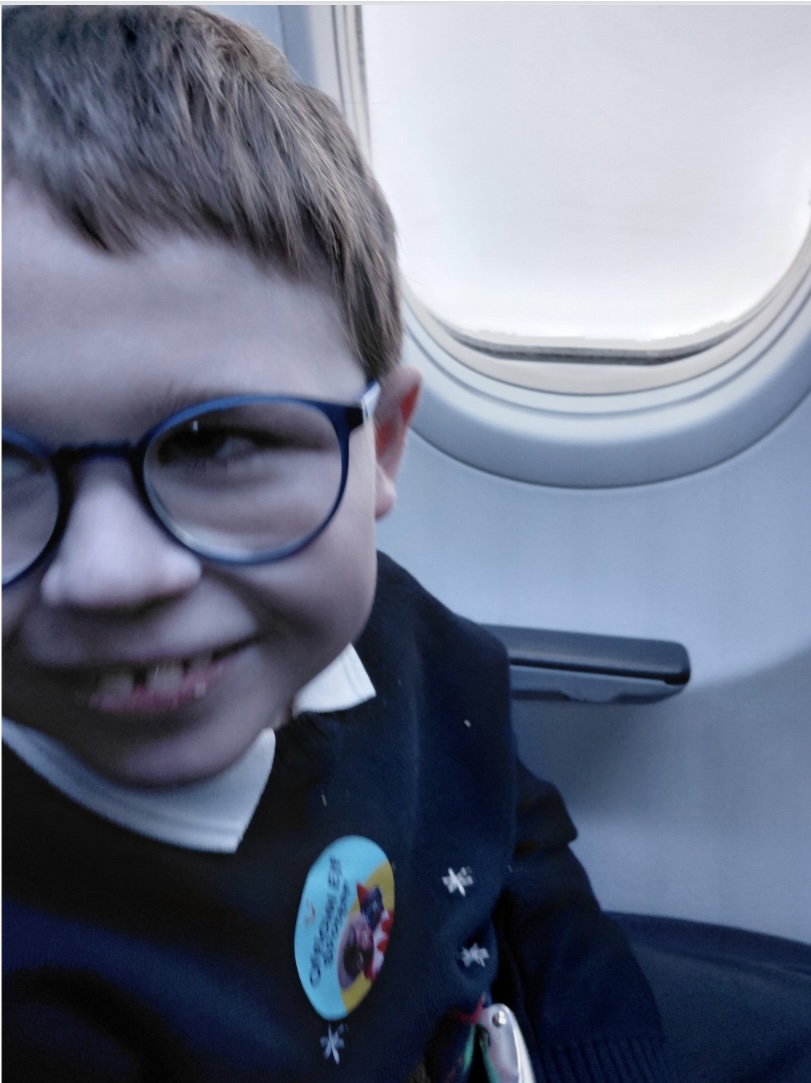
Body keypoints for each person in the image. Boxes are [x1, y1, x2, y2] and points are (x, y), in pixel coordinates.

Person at [2, 7, 677, 1081]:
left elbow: (521, 849)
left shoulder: (409, 641)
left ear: (381, 447)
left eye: (215, 441)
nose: (114, 574)